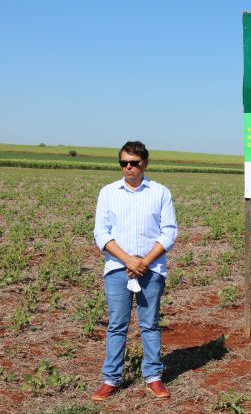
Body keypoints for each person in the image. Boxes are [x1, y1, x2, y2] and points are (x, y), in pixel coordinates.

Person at [91, 141, 177, 401]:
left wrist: (144, 262)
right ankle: (111, 379)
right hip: (117, 268)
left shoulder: (160, 192)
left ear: (145, 164)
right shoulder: (108, 192)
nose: (128, 167)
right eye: (124, 162)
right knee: (117, 325)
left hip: (151, 270)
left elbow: (170, 231)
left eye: (134, 162)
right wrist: (129, 260)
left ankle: (153, 377)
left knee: (149, 325)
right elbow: (101, 233)